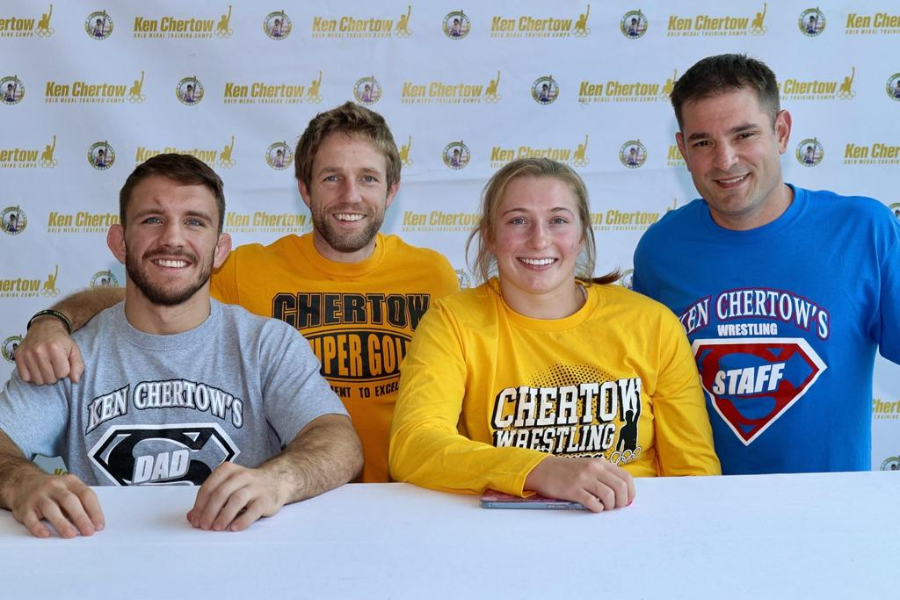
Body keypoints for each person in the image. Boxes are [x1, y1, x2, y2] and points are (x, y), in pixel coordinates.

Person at [15, 103, 458, 484]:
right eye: (330, 178)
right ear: (304, 188)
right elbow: (159, 291)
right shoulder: (246, 268)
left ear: (392, 190)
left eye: (367, 178)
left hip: (398, 494)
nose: (350, 195)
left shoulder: (433, 275)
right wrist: (54, 321)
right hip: (297, 502)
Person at [0, 154, 362, 539]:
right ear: (119, 242)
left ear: (220, 249)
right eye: (152, 219)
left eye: (194, 222)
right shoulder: (71, 352)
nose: (173, 238)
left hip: (238, 566)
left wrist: (278, 481)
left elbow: (340, 442)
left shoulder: (265, 345)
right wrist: (21, 483)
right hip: (103, 565)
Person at [390, 158, 720, 512]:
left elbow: (694, 473)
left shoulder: (652, 324)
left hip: (631, 526)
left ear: (581, 236)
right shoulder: (453, 322)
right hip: (505, 535)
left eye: (558, 220)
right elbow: (414, 445)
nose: (539, 239)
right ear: (489, 235)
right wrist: (540, 470)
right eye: (518, 221)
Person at [632, 54, 900, 474]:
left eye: (744, 135)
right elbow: (644, 391)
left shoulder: (863, 230)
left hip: (830, 518)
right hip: (697, 513)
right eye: (703, 142)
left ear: (781, 131)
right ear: (683, 149)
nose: (725, 160)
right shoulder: (660, 249)